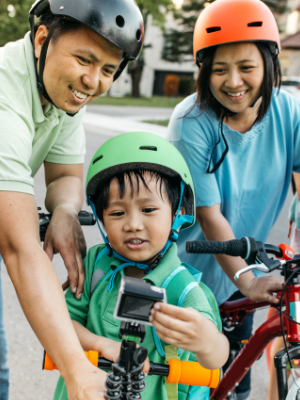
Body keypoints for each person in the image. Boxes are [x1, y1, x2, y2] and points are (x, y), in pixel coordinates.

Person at [0, 0, 143, 399]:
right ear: (42, 38)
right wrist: (78, 369)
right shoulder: (4, 100)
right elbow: (18, 247)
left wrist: (64, 209)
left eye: (108, 70)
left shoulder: (60, 89)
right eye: (84, 59)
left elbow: (64, 175)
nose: (93, 81)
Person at [166, 0, 300, 398]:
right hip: (187, 273)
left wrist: (248, 277)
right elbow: (210, 215)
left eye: (246, 67)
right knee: (184, 384)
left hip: (245, 270)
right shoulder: (191, 120)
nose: (233, 81)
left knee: (235, 384)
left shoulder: (288, 111)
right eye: (219, 69)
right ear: (203, 70)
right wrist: (246, 277)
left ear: (269, 65)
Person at [52, 131, 229, 400]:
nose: (133, 224)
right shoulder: (95, 268)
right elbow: (61, 324)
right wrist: (102, 345)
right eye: (117, 212)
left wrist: (207, 341)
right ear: (101, 219)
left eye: (148, 210)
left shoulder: (182, 287)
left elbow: (216, 357)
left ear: (177, 211)